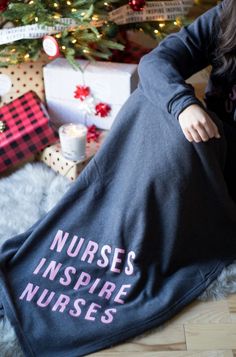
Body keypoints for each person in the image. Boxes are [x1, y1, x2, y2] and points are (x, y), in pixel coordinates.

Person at [0, 1, 236, 356]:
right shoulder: (227, 13)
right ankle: (117, 223)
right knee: (151, 101)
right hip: (212, 136)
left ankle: (132, 236)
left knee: (175, 135)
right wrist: (182, 104)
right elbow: (156, 62)